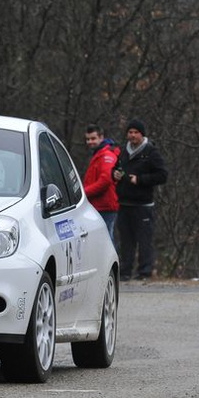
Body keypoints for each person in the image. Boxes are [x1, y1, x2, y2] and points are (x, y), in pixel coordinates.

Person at [113, 119, 168, 281]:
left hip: (143, 204)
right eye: (130, 132)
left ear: (142, 134)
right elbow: (116, 168)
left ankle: (144, 272)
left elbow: (162, 175)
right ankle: (125, 272)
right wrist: (114, 174)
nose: (132, 135)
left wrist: (141, 179)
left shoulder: (151, 152)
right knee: (126, 241)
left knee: (144, 240)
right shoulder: (123, 151)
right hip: (124, 203)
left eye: (136, 132)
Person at [83, 124, 119, 243]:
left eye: (93, 138)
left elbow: (105, 180)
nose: (90, 142)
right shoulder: (98, 155)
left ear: (101, 137)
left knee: (107, 240)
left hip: (106, 205)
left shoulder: (106, 156)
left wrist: (84, 192)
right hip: (98, 205)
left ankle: (112, 262)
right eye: (88, 139)